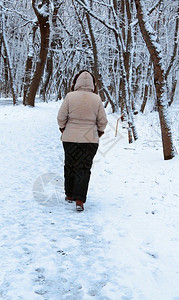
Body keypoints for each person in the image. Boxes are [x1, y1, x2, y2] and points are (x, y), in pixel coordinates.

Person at [57, 70, 108, 211]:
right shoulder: (96, 99)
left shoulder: (69, 97)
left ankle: (69, 194)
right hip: (89, 140)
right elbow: (103, 121)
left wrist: (63, 129)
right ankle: (79, 199)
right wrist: (98, 132)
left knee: (70, 165)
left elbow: (61, 117)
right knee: (84, 168)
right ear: (93, 84)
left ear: (76, 83)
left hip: (70, 138)